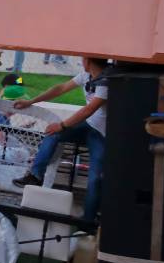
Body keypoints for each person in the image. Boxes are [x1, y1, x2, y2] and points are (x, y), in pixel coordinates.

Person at [12, 58, 109, 221]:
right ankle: (36, 175)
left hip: (102, 133)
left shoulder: (106, 82)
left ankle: (88, 220)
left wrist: (62, 125)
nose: (81, 61)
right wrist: (31, 101)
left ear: (88, 61)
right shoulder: (86, 75)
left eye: (83, 58)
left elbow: (89, 109)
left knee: (95, 178)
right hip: (87, 125)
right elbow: (61, 88)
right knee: (52, 133)